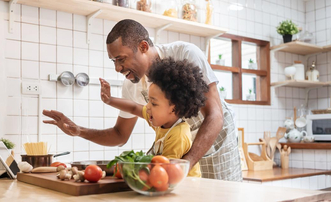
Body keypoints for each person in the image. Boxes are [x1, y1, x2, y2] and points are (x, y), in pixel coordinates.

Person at [43, 19, 242, 181]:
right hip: (178, 151)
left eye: (121, 59)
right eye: (114, 61)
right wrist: (79, 131)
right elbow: (120, 134)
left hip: (215, 140)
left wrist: (187, 163)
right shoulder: (131, 85)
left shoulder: (185, 54)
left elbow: (215, 115)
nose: (117, 69)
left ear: (143, 46)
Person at [100, 58, 207, 177]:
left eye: (154, 103)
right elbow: (134, 108)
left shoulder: (178, 135)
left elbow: (165, 171)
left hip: (187, 187)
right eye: (149, 101)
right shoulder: (162, 120)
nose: (148, 107)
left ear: (173, 108)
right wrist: (110, 100)